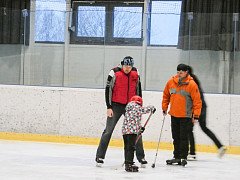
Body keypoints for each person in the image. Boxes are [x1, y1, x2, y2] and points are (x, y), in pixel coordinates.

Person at [95, 56, 147, 167]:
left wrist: (139, 106)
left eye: (129, 66)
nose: (127, 68)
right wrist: (109, 106)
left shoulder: (135, 73)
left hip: (132, 105)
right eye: (126, 66)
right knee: (108, 130)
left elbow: (138, 90)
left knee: (136, 130)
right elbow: (108, 89)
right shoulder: (114, 72)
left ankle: (141, 157)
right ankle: (99, 156)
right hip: (116, 105)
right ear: (122, 64)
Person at [162, 63, 202, 166]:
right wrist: (164, 107)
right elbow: (166, 95)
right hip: (174, 115)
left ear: (186, 72)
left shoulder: (191, 85)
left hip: (186, 116)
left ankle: (183, 157)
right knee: (175, 137)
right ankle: (176, 157)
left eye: (182, 72)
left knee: (183, 137)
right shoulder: (171, 82)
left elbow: (197, 101)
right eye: (178, 71)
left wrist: (196, 115)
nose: (179, 74)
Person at [187, 65, 226, 160]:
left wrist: (194, 112)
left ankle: (192, 152)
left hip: (198, 107)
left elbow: (195, 98)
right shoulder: (194, 80)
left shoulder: (191, 82)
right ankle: (220, 146)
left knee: (189, 129)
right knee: (204, 128)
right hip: (202, 107)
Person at [122, 95, 156, 172]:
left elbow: (133, 120)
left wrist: (140, 128)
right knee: (131, 147)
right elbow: (144, 110)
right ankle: (129, 163)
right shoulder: (136, 107)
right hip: (132, 132)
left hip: (125, 131)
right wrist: (152, 108)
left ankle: (127, 162)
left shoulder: (128, 109)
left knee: (127, 147)